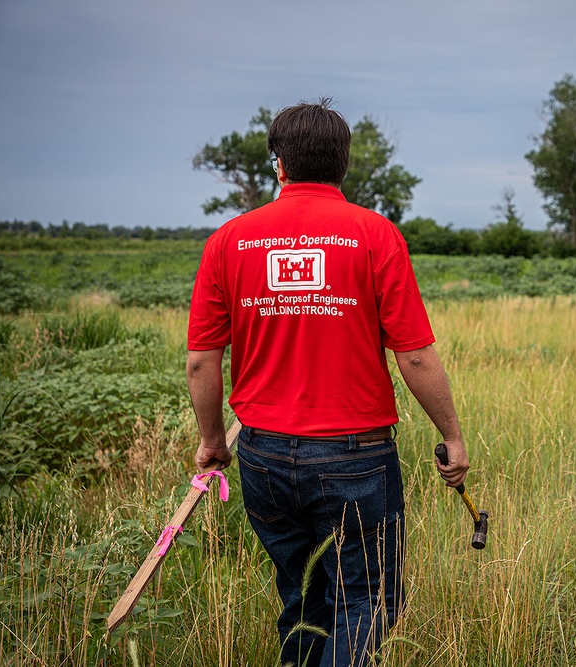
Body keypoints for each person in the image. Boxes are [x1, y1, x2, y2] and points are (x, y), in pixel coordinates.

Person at [186, 99, 470, 667]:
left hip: (263, 454)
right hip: (356, 458)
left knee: (303, 597)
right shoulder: (375, 234)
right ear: (344, 166)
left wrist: (213, 441)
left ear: (279, 166)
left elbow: (201, 361)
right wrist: (453, 436)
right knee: (365, 600)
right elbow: (414, 356)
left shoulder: (229, 241)